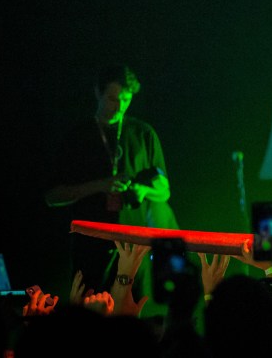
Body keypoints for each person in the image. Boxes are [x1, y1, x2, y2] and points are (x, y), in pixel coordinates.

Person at [44, 64, 180, 306]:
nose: (119, 106)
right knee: (89, 319)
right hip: (90, 249)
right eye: (112, 99)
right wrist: (100, 185)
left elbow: (164, 191)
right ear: (98, 92)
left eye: (126, 100)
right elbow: (53, 196)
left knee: (133, 319)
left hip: (134, 250)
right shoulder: (78, 136)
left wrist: (143, 190)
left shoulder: (144, 133)